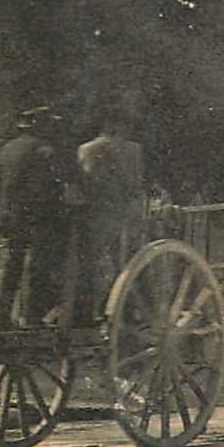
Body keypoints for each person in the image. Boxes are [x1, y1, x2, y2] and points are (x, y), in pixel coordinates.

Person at [0, 106, 65, 327]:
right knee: (36, 267)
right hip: (34, 217)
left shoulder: (7, 149)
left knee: (9, 267)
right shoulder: (43, 150)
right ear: (40, 127)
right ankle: (32, 318)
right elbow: (47, 188)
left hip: (7, 215)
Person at [77, 111, 145, 319]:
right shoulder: (133, 150)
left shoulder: (86, 150)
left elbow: (85, 183)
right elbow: (135, 185)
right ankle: (127, 309)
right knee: (127, 263)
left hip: (97, 215)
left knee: (93, 263)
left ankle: (92, 310)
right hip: (125, 216)